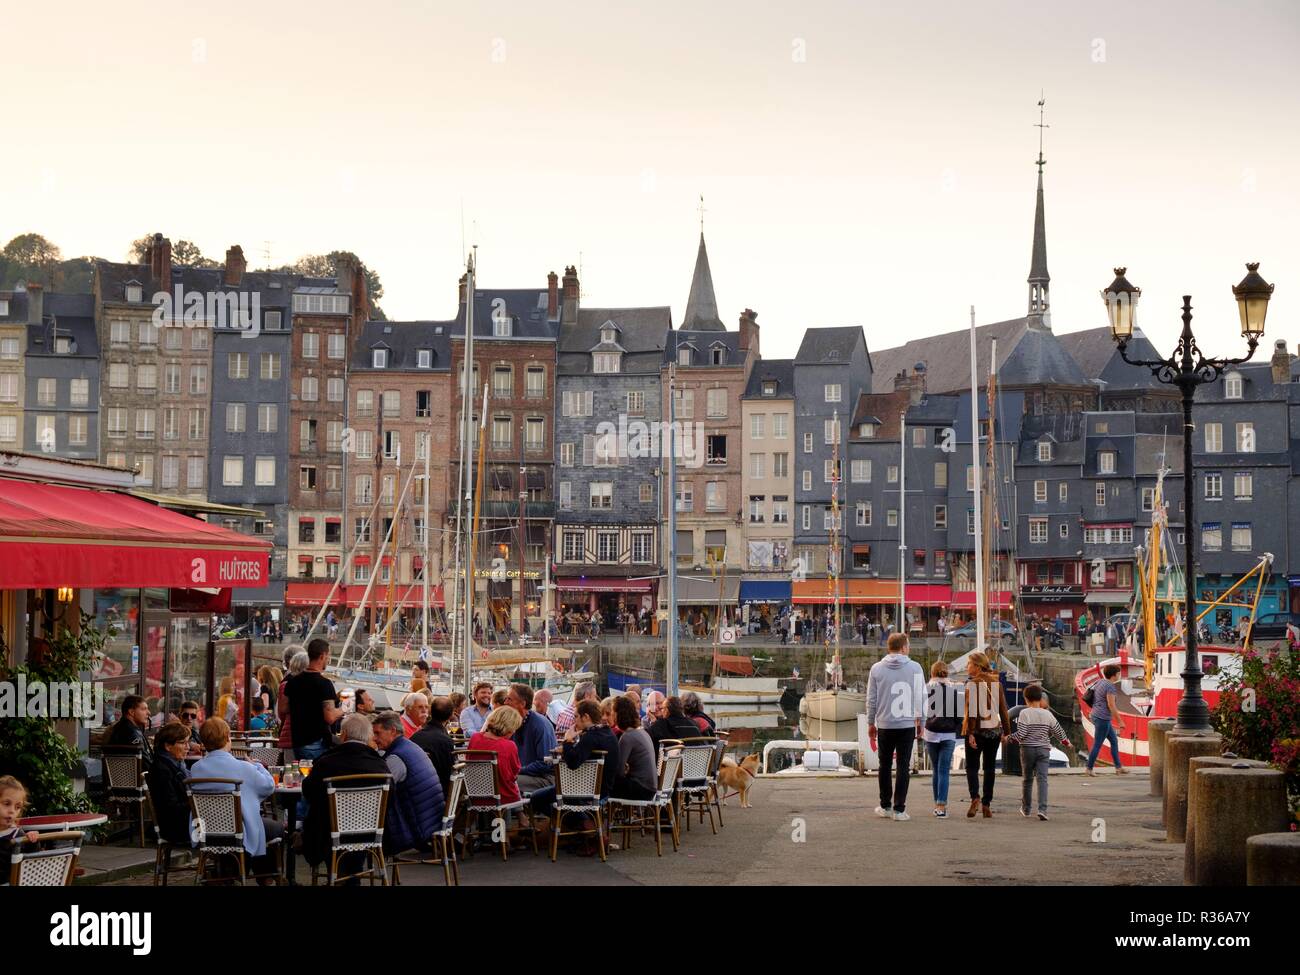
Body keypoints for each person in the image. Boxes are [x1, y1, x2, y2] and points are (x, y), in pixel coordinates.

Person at [190, 718, 282, 882]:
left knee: (259, 826)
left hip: (205, 830)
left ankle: (231, 873)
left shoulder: (196, 768)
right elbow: (268, 786)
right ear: (227, 738)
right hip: (239, 830)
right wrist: (258, 765)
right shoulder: (244, 768)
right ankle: (266, 877)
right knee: (275, 828)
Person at [302, 714, 390, 873]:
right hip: (370, 833)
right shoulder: (380, 766)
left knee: (319, 817)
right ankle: (351, 876)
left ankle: (338, 875)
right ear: (368, 736)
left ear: (343, 735)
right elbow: (391, 799)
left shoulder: (326, 762)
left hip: (329, 834)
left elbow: (308, 792)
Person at [866, 633, 925, 822]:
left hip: (884, 723)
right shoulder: (915, 668)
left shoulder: (876, 669)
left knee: (884, 765)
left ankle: (885, 806)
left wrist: (870, 723)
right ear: (903, 647)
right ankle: (900, 809)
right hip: (906, 724)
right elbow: (921, 697)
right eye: (907, 645)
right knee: (903, 766)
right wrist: (921, 721)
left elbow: (871, 699)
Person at [371, 711, 444, 855]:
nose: (374, 738)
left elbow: (377, 791)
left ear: (392, 731)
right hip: (432, 819)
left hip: (418, 828)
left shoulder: (396, 758)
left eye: (377, 733)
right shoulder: (410, 746)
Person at [1007, 684, 1073, 819]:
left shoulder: (1024, 713)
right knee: (1042, 780)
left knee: (1027, 779)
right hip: (1043, 750)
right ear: (1040, 698)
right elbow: (1057, 730)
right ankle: (1042, 809)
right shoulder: (1047, 714)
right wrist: (1066, 742)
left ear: (1026, 699)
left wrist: (1009, 738)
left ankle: (1026, 809)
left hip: (1027, 750)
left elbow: (1022, 733)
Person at [962, 649, 1011, 818]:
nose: (967, 667)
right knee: (989, 768)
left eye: (969, 664)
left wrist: (970, 733)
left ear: (976, 666)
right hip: (994, 731)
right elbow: (1004, 710)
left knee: (972, 766)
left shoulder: (972, 683)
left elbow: (971, 712)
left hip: (978, 731)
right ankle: (986, 804)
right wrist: (1007, 731)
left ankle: (975, 797)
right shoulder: (997, 683)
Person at [285, 639, 342, 763]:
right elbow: (330, 717)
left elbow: (283, 709)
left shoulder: (293, 682)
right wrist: (344, 709)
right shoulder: (324, 684)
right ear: (322, 656)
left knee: (304, 778)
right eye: (328, 656)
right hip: (317, 741)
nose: (328, 659)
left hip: (298, 740)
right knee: (318, 778)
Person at [923, 661, 961, 818]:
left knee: (935, 769)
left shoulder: (926, 689)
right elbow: (959, 716)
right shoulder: (954, 691)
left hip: (931, 733)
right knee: (944, 770)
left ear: (932, 673)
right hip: (948, 735)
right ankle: (941, 806)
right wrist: (954, 727)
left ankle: (936, 804)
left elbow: (921, 711)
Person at [148, 722, 194, 847]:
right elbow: (171, 808)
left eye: (188, 742)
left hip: (185, 822)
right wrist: (198, 802)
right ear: (168, 746)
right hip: (177, 829)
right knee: (227, 828)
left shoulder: (176, 764)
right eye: (183, 743)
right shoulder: (162, 770)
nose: (188, 747)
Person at [467, 705, 523, 805]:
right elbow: (514, 773)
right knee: (514, 784)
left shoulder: (475, 738)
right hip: (502, 797)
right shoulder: (509, 745)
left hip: (475, 795)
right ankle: (521, 816)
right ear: (509, 728)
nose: (514, 731)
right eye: (514, 728)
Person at [506, 683, 557, 795]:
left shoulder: (539, 725)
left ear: (523, 703)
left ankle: (515, 812)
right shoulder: (513, 722)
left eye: (509, 699)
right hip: (524, 775)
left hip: (545, 779)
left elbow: (545, 763)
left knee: (504, 781)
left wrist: (517, 770)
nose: (505, 702)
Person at [611, 696, 657, 801]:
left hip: (641, 789)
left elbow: (619, 772)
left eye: (613, 711)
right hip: (650, 787)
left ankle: (595, 814)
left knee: (603, 783)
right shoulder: (642, 732)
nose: (612, 714)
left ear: (618, 714)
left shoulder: (627, 736)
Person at [1085, 663, 1127, 775]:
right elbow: (1111, 705)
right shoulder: (1110, 687)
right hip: (1102, 718)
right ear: (1114, 675)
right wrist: (1120, 721)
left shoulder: (1100, 682)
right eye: (1118, 673)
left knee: (1114, 741)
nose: (1119, 675)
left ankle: (1118, 767)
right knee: (1098, 744)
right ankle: (1089, 769)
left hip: (1096, 714)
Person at [412, 697, 456, 796]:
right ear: (451, 715)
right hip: (437, 793)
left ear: (430, 712)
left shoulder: (415, 736)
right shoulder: (445, 741)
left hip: (414, 790)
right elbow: (449, 774)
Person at [0, 776, 41, 882]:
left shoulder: (18, 835)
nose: (12, 811)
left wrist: (33, 841)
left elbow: (33, 861)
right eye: (7, 804)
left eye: (17, 807)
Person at [277, 648, 308, 760]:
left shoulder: (286, 683)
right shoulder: (313, 684)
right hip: (304, 737)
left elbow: (281, 713)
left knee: (291, 769)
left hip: (289, 736)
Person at [107, 694, 154, 766]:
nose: (149, 713)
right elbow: (147, 764)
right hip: (136, 776)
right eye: (144, 709)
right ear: (131, 712)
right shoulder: (131, 732)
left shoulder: (124, 727)